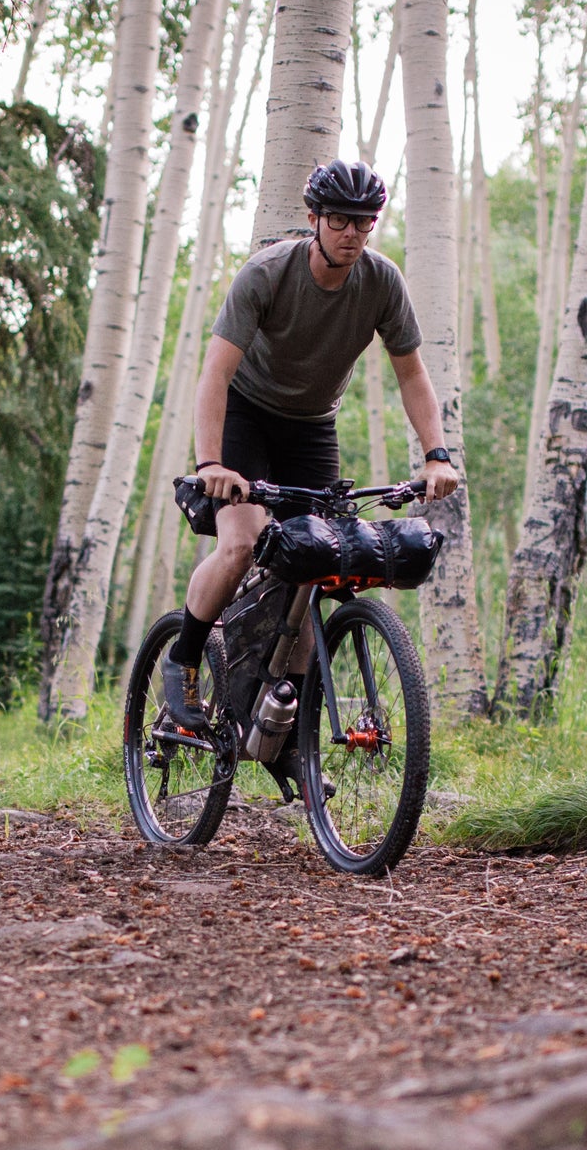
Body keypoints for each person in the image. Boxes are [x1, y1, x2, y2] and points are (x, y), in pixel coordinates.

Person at [161, 159, 461, 733]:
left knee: (316, 562)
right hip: (245, 413)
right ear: (314, 219)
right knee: (242, 544)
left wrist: (436, 453)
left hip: (312, 425)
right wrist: (211, 465)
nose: (352, 232)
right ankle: (184, 660)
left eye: (364, 222)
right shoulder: (267, 274)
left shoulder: (381, 282)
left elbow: (412, 375)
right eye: (341, 220)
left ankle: (287, 727)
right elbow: (214, 376)